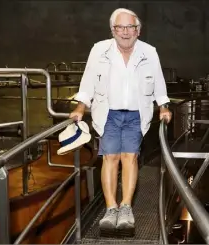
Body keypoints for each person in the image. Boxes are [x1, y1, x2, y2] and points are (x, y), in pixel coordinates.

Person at [69, 7, 172, 234]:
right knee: (110, 158)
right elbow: (87, 82)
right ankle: (110, 208)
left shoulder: (149, 52)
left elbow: (158, 83)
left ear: (138, 30)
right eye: (120, 27)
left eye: (130, 27)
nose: (125, 32)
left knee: (130, 158)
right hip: (109, 113)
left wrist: (163, 107)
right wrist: (80, 107)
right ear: (112, 30)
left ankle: (126, 207)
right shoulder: (99, 50)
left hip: (136, 114)